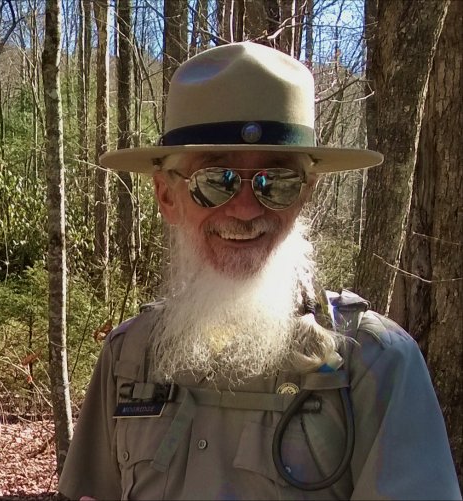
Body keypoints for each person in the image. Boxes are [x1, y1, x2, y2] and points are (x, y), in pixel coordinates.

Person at [58, 42, 461, 500]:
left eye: (278, 181)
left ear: (305, 194)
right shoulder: (127, 357)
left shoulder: (375, 364)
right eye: (216, 180)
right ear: (167, 196)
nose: (247, 209)